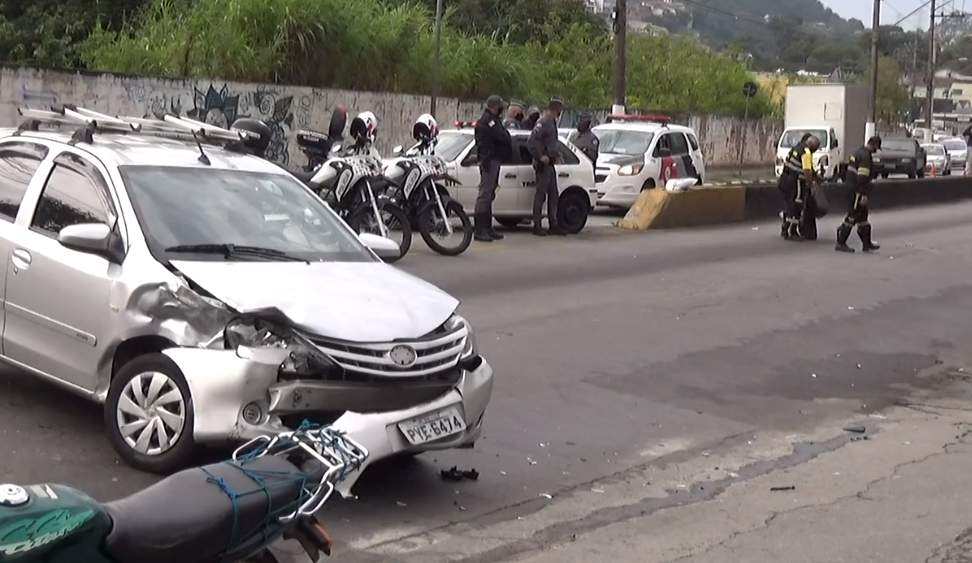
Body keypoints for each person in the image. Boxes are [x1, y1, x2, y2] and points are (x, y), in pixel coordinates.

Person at [473, 95, 512, 242]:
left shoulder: (494, 120)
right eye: (500, 106)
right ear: (495, 106)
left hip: (494, 160)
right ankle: (480, 229)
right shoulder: (488, 121)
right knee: (485, 195)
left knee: (490, 194)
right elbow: (502, 136)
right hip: (489, 161)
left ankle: (487, 228)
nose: (501, 108)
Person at [527, 97, 566, 237]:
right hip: (543, 165)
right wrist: (540, 156)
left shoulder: (552, 123)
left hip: (550, 164)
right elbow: (531, 142)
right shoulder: (544, 122)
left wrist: (557, 154)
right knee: (540, 195)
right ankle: (537, 225)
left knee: (553, 194)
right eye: (560, 110)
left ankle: (553, 224)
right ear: (556, 109)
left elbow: (550, 144)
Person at [836, 136, 882, 253]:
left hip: (851, 187)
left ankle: (866, 244)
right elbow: (862, 177)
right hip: (856, 191)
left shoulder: (858, 152)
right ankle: (841, 242)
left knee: (862, 218)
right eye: (877, 147)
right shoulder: (865, 156)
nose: (876, 150)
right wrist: (863, 194)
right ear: (874, 144)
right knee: (852, 216)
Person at [778, 134, 820, 240]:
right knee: (797, 206)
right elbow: (807, 170)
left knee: (790, 205)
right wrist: (810, 184)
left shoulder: (796, 149)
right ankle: (791, 231)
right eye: (815, 148)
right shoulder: (806, 152)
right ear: (811, 146)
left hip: (785, 180)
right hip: (796, 182)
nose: (814, 151)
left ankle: (785, 229)